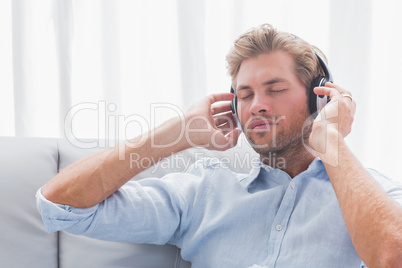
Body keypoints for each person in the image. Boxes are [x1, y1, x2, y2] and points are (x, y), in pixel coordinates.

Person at [36, 24, 402, 268]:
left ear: (319, 99)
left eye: (275, 89)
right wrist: (178, 134)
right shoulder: (203, 191)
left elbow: (393, 254)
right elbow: (59, 205)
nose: (257, 104)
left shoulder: (375, 195)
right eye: (245, 95)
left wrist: (330, 140)